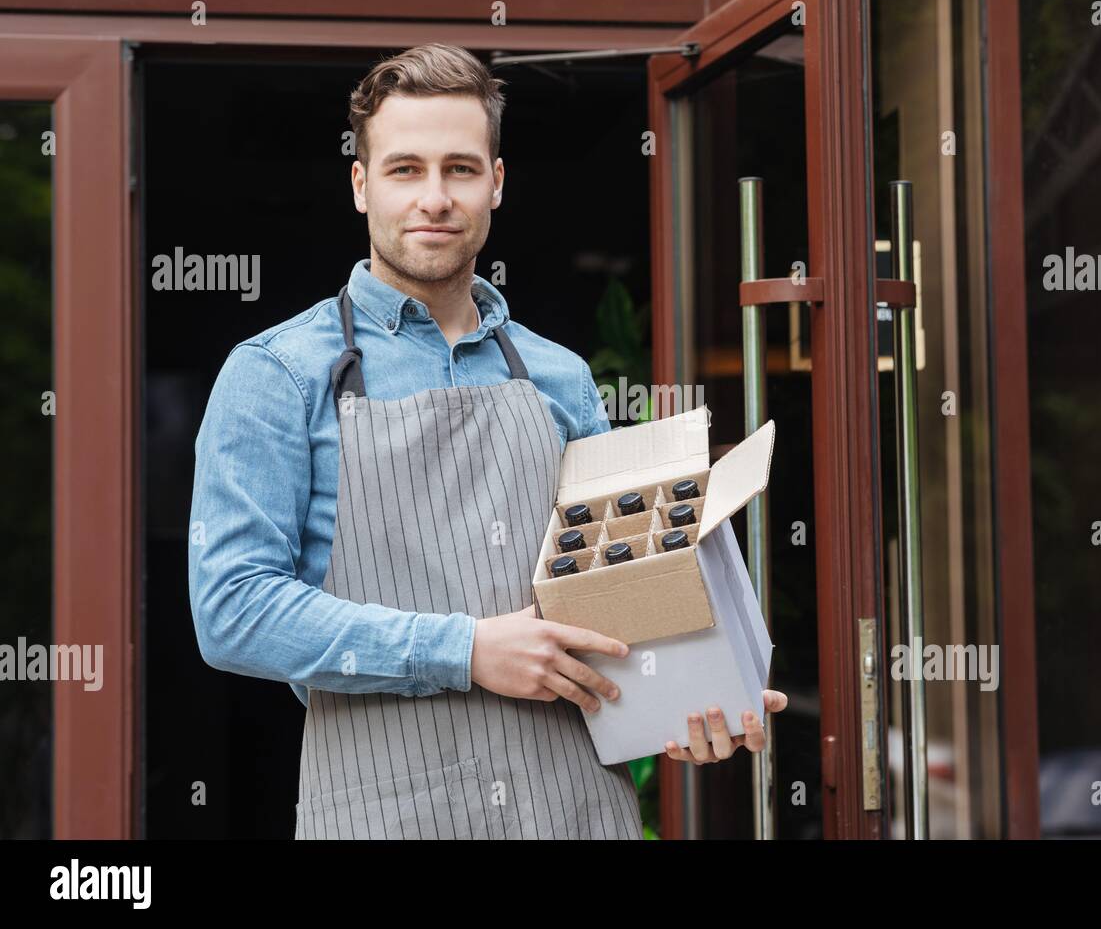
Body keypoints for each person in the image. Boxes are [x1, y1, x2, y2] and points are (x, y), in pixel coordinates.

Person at [188, 42, 786, 840]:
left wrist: (689, 700)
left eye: (460, 169)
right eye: (405, 170)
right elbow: (232, 611)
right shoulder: (279, 375)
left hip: (572, 811)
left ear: (496, 184)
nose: (434, 197)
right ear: (361, 185)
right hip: (385, 815)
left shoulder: (559, 377)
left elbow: (614, 596)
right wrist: (466, 650)